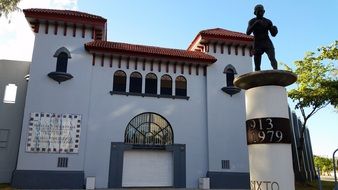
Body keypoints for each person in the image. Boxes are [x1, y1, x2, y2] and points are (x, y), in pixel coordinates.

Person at [246, 4, 278, 71]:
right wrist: (255, 24)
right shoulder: (252, 21)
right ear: (255, 13)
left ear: (264, 12)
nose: (260, 13)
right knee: (257, 65)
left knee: (272, 58)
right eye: (258, 11)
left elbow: (273, 34)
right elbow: (248, 33)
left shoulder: (268, 21)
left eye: (261, 11)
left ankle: (276, 72)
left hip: (267, 41)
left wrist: (275, 30)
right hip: (257, 43)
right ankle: (257, 79)